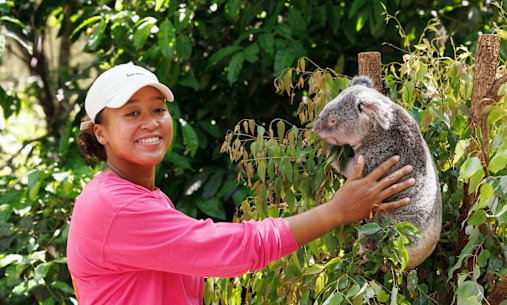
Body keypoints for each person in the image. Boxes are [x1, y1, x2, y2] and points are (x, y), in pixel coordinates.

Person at [67, 62, 415, 305]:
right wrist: (337, 211)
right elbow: (233, 248)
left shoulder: (137, 194)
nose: (151, 123)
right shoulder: (116, 207)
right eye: (132, 113)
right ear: (101, 132)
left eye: (158, 110)